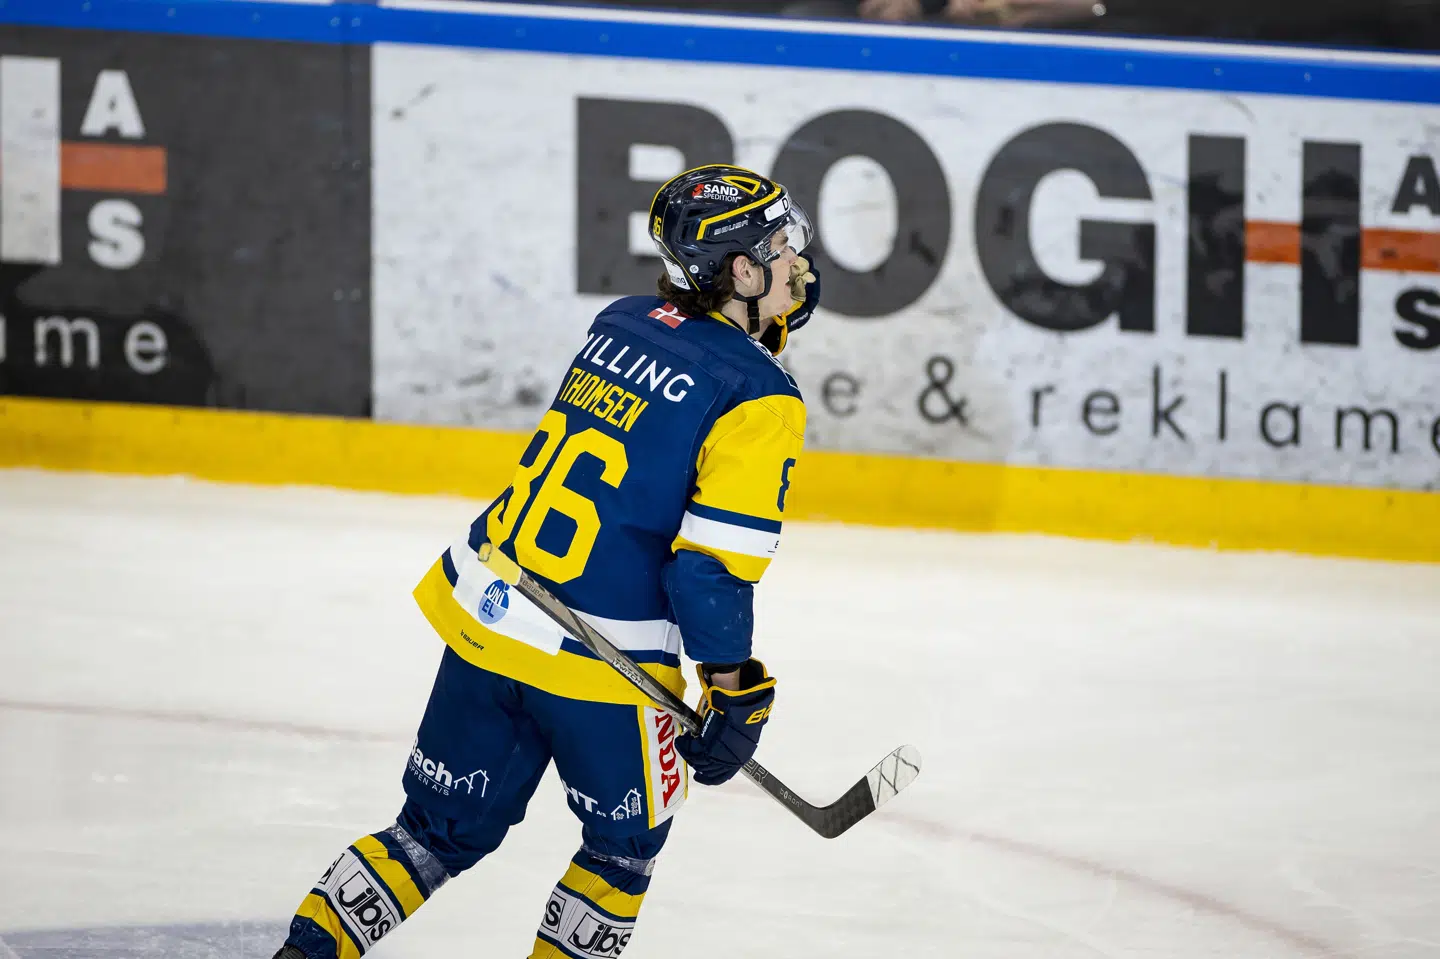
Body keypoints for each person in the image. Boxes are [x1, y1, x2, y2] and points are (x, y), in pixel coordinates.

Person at [270, 163, 822, 959]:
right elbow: (707, 571)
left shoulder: (620, 322)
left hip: (492, 609)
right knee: (620, 855)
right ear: (740, 272)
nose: (796, 260)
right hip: (599, 659)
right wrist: (733, 689)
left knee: (429, 833)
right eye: (780, 246)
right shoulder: (759, 395)